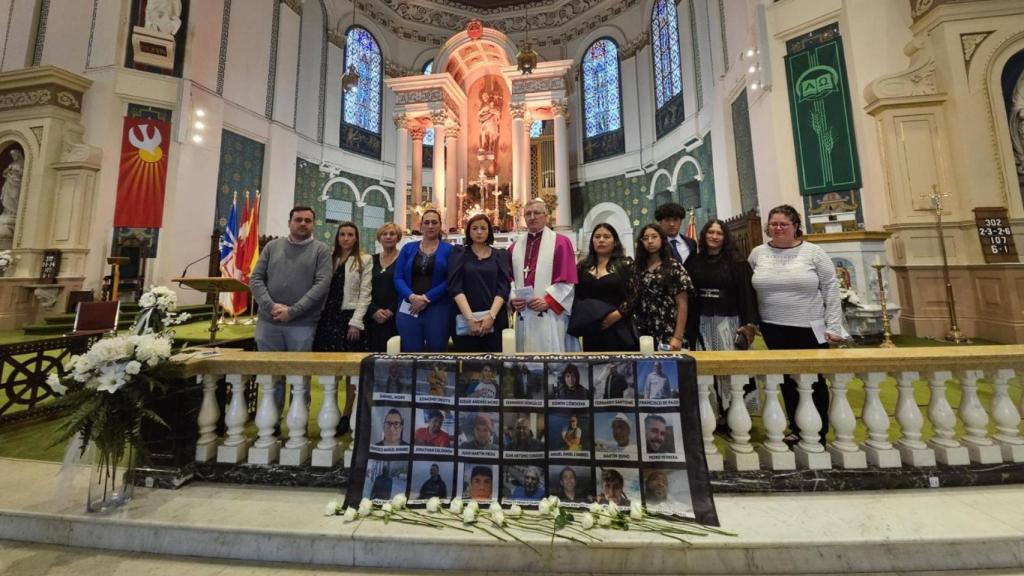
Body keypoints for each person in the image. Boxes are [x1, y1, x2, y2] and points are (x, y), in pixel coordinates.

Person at [749, 204, 843, 445]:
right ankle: (797, 427)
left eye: (783, 224)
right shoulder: (758, 253)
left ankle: (818, 432)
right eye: (773, 224)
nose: (778, 228)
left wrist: (834, 326)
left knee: (814, 380)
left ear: (795, 226)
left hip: (810, 326)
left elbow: (831, 289)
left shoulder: (813, 253)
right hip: (772, 326)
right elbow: (749, 288)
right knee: (787, 380)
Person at [250, 206, 332, 416]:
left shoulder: (321, 250)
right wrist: (271, 306)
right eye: (298, 220)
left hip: (302, 324)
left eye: (307, 220)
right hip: (269, 323)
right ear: (289, 223)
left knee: (299, 378)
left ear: (314, 224)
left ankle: (298, 426)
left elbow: (321, 285)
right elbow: (256, 279)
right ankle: (271, 423)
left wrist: (293, 311)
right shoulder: (271, 246)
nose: (303, 224)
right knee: (271, 377)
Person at [690, 219, 758, 417]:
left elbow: (746, 294)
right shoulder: (694, 261)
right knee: (708, 370)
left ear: (725, 237)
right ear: (704, 235)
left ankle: (736, 412)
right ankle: (713, 412)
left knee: (731, 369)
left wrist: (748, 324)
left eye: (719, 233)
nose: (714, 236)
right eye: (710, 232)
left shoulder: (738, 262)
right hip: (702, 323)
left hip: (729, 322)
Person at [313, 222, 371, 435]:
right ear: (337, 237)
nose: (346, 238)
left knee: (349, 370)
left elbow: (365, 294)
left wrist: (356, 321)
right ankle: (331, 408)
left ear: (356, 238)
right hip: (328, 317)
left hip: (349, 318)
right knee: (330, 367)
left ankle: (347, 413)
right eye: (343, 235)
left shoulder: (363, 260)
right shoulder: (328, 259)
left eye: (350, 235)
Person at [509, 199, 578, 352]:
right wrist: (513, 299)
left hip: (550, 316)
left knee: (551, 364)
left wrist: (549, 301)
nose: (532, 217)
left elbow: (567, 279)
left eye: (537, 213)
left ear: (546, 216)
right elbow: (509, 280)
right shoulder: (514, 247)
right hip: (524, 314)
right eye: (528, 214)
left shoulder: (560, 242)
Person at [448, 215, 511, 352]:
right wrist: (470, 319)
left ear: (489, 231)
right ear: (469, 232)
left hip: (494, 318)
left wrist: (491, 316)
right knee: (468, 368)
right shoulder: (459, 254)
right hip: (465, 319)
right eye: (475, 228)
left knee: (494, 367)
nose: (479, 232)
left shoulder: (500, 255)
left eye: (483, 228)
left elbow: (503, 288)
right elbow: (455, 287)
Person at [572, 224, 638, 352]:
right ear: (592, 242)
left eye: (606, 237)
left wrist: (617, 315)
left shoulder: (626, 264)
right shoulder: (582, 266)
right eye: (597, 237)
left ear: (615, 242)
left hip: (619, 325)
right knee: (595, 367)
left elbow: (634, 295)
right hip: (592, 327)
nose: (601, 240)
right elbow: (577, 295)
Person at [394, 209, 453, 352]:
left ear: (440, 225)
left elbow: (450, 280)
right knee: (410, 352)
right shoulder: (408, 248)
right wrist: (412, 297)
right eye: (426, 222)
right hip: (409, 307)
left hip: (438, 309)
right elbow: (398, 277)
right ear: (421, 226)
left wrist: (426, 298)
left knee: (437, 354)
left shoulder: (449, 250)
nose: (430, 226)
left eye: (434, 222)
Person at [629, 224, 693, 351]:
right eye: (645, 238)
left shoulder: (673, 266)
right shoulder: (637, 267)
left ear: (662, 239)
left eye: (654, 237)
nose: (650, 241)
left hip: (668, 330)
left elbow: (682, 303)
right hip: (642, 332)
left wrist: (678, 337)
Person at [656, 202, 699, 348]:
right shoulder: (656, 245)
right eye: (667, 220)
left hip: (691, 303)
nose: (672, 224)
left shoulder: (691, 243)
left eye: (676, 220)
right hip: (666, 305)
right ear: (660, 222)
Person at [367, 223, 401, 352]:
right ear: (379, 238)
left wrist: (391, 310)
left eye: (392, 234)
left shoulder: (403, 258)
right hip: (373, 316)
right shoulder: (370, 259)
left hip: (395, 316)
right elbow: (364, 288)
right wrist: (373, 310)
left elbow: (406, 287)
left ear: (398, 238)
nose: (388, 237)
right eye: (384, 234)